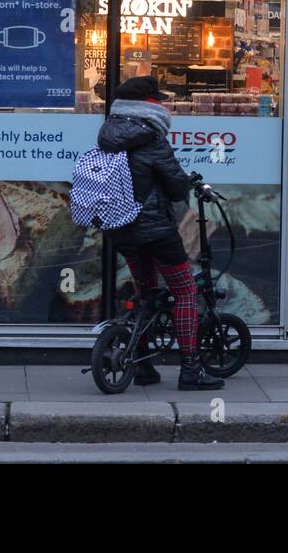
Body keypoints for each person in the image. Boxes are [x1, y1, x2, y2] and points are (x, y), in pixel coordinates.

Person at [97, 75, 223, 391]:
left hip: (121, 229)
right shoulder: (152, 140)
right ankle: (191, 369)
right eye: (158, 100)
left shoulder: (107, 134)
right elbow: (178, 188)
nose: (163, 105)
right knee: (184, 291)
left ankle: (142, 366)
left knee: (147, 292)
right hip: (155, 230)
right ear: (147, 106)